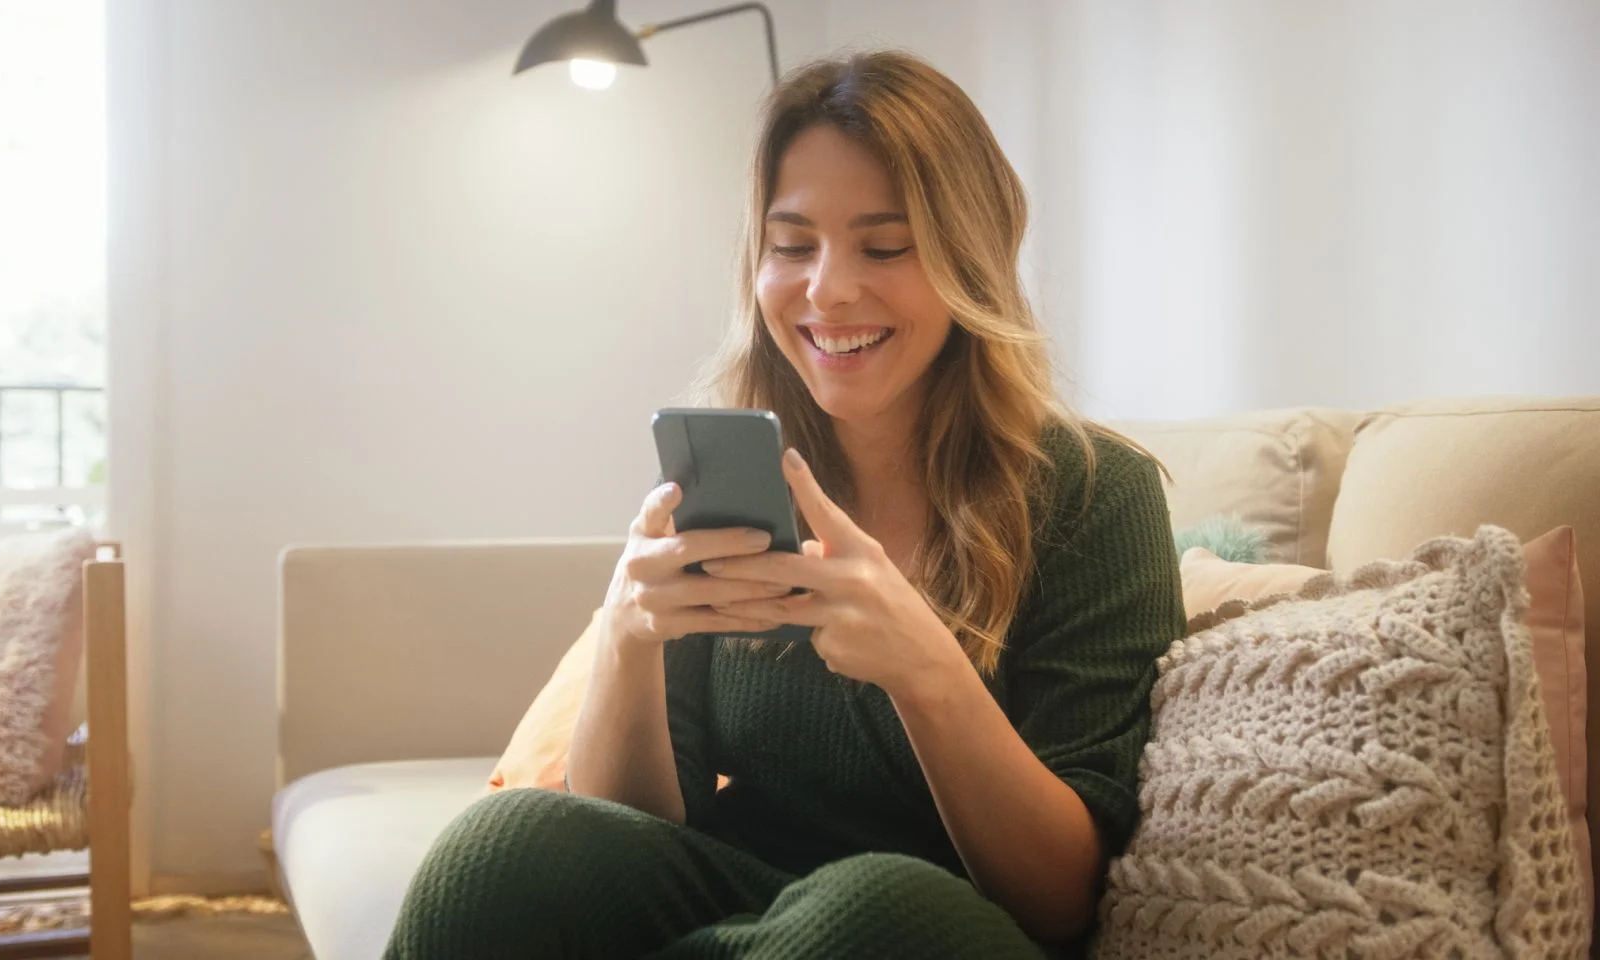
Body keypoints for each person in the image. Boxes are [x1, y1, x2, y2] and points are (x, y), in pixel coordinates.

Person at [387, 50, 1185, 959]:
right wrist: (627, 635)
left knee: (873, 905)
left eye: (885, 246)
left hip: (932, 929)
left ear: (970, 255)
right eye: (793, 245)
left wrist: (928, 674)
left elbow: (1061, 901)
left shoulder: (1091, 494)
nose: (828, 288)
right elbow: (630, 832)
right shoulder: (730, 477)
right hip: (744, 902)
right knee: (503, 848)